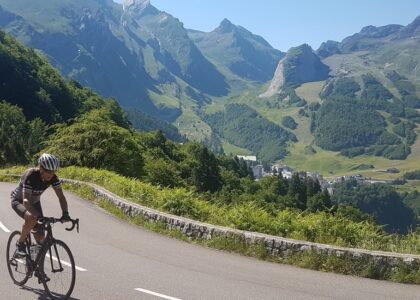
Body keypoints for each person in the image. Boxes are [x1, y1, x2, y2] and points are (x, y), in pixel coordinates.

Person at [11, 153, 71, 257]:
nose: (50, 174)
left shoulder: (53, 178)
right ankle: (20, 244)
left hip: (34, 203)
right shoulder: (31, 175)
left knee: (41, 237)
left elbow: (61, 197)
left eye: (53, 171)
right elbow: (26, 200)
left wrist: (65, 213)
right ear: (41, 168)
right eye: (48, 171)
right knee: (31, 218)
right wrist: (38, 216)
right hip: (19, 201)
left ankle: (38, 269)